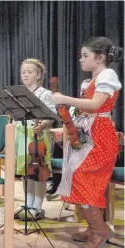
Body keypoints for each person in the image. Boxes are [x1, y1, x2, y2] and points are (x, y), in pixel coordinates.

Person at [53, 36, 122, 247]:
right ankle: (95, 228)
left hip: (100, 136)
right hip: (87, 133)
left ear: (100, 57)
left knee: (83, 178)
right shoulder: (91, 81)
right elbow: (83, 109)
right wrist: (65, 126)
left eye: (85, 56)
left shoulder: (108, 75)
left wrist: (64, 99)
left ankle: (100, 230)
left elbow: (95, 104)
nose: (81, 60)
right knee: (77, 178)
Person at [13, 58, 56, 220]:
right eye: (23, 72)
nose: (25, 75)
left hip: (37, 135)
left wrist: (42, 125)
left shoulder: (45, 94)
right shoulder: (18, 94)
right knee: (26, 171)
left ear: (39, 75)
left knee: (39, 171)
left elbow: (51, 116)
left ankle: (37, 204)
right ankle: (27, 202)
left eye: (30, 72)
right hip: (21, 134)